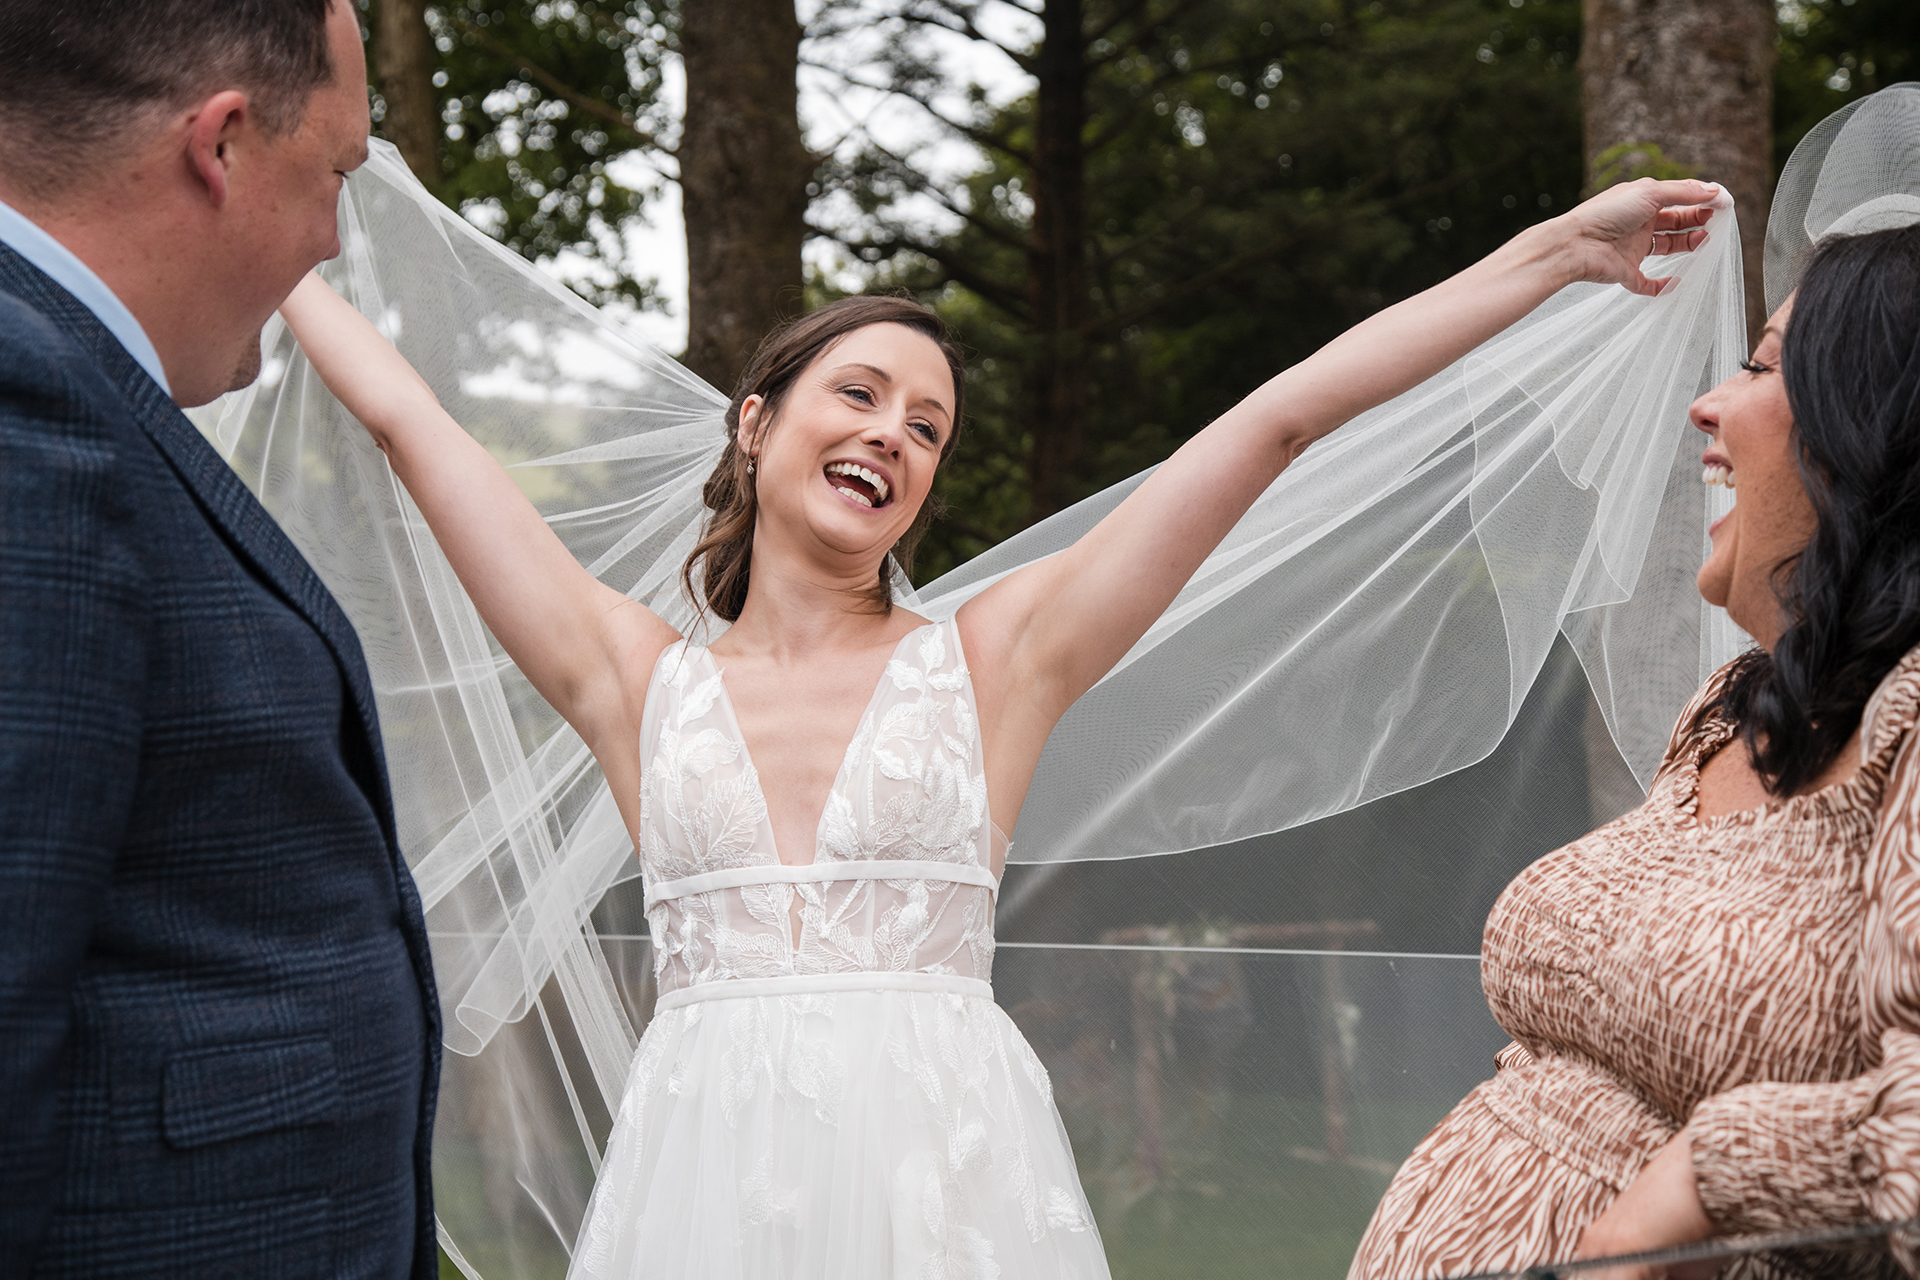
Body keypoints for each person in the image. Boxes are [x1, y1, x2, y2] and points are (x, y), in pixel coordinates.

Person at [276, 160, 1718, 1276]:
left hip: (945, 1171)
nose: (892, 437)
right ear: (757, 422)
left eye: (927, 428)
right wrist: (247, 228)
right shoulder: (630, 679)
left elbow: (1277, 421)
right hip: (705, 1172)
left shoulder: (998, 658)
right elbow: (416, 426)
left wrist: (1546, 260)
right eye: (860, 393)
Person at [1346, 172, 1920, 1280]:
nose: (1707, 404)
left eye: (1761, 365)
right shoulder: (1729, 708)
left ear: (1871, 424)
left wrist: (1708, 1172)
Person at [0, 3, 441, 1277]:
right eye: (337, 173)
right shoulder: (26, 413)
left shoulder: (81, 387)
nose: (336, 235)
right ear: (225, 144)